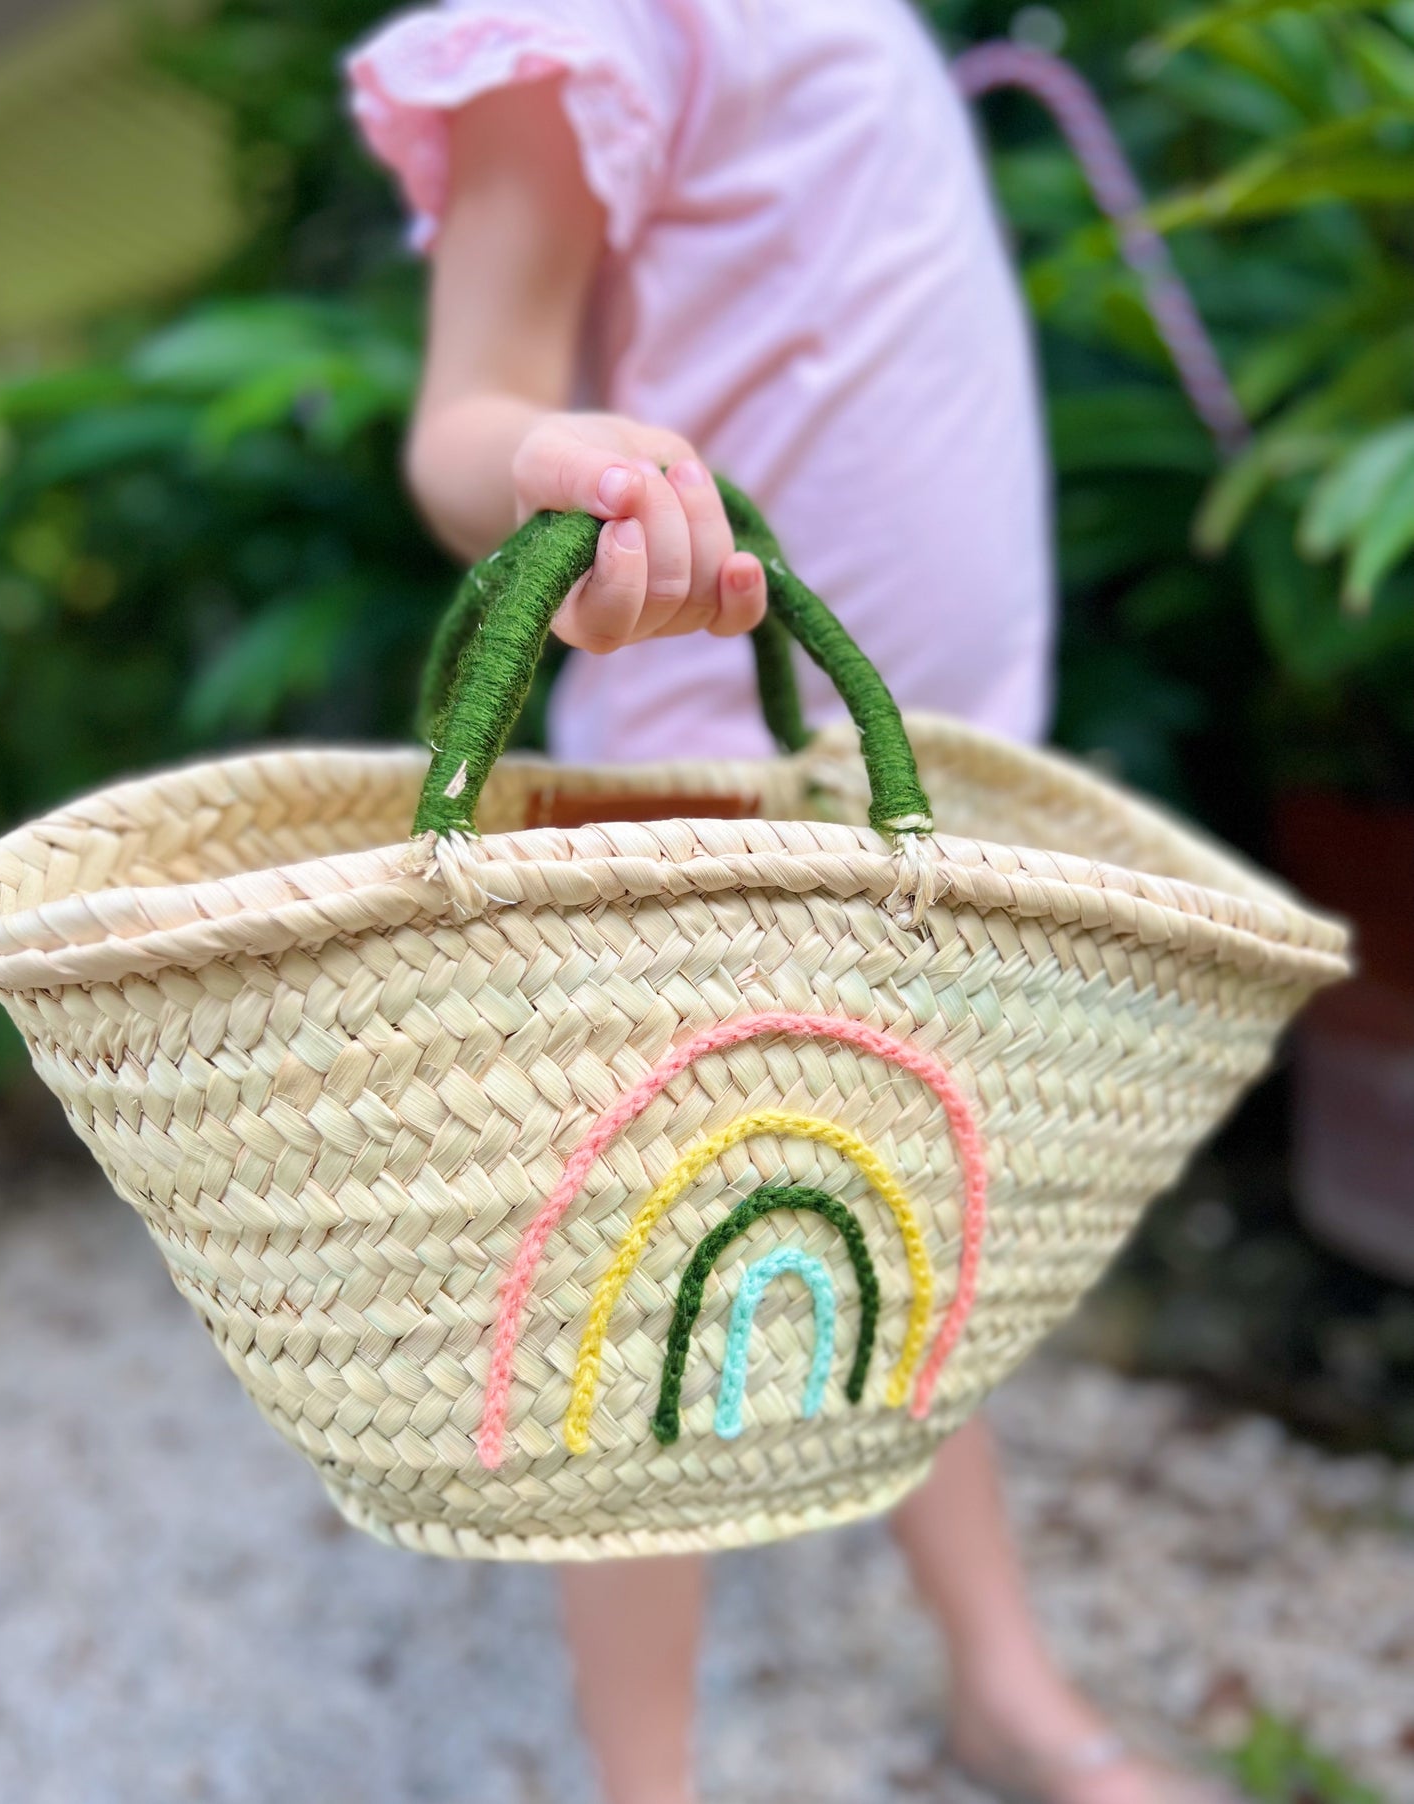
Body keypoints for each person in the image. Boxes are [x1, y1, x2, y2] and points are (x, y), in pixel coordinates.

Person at [347, 4, 1234, 1800]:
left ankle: (999, 1678)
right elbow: (466, 414)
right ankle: (647, 1780)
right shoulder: (582, 27)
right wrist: (565, 478)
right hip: (709, 780)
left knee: (908, 1208)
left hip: (906, 769)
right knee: (640, 1316)